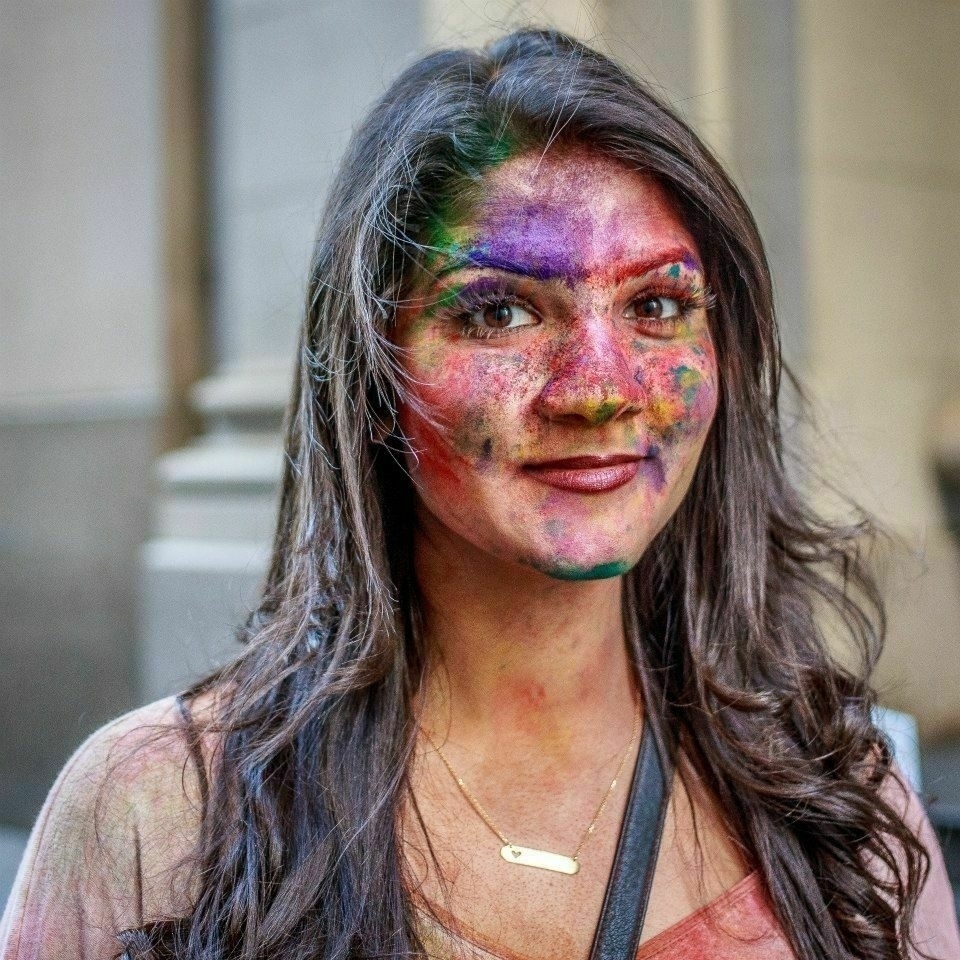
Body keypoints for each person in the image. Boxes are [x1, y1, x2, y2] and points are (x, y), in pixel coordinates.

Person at [1, 27, 958, 960]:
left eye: (657, 307)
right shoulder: (159, 814)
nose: (599, 389)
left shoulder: (839, 794)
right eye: (498, 310)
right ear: (373, 379)